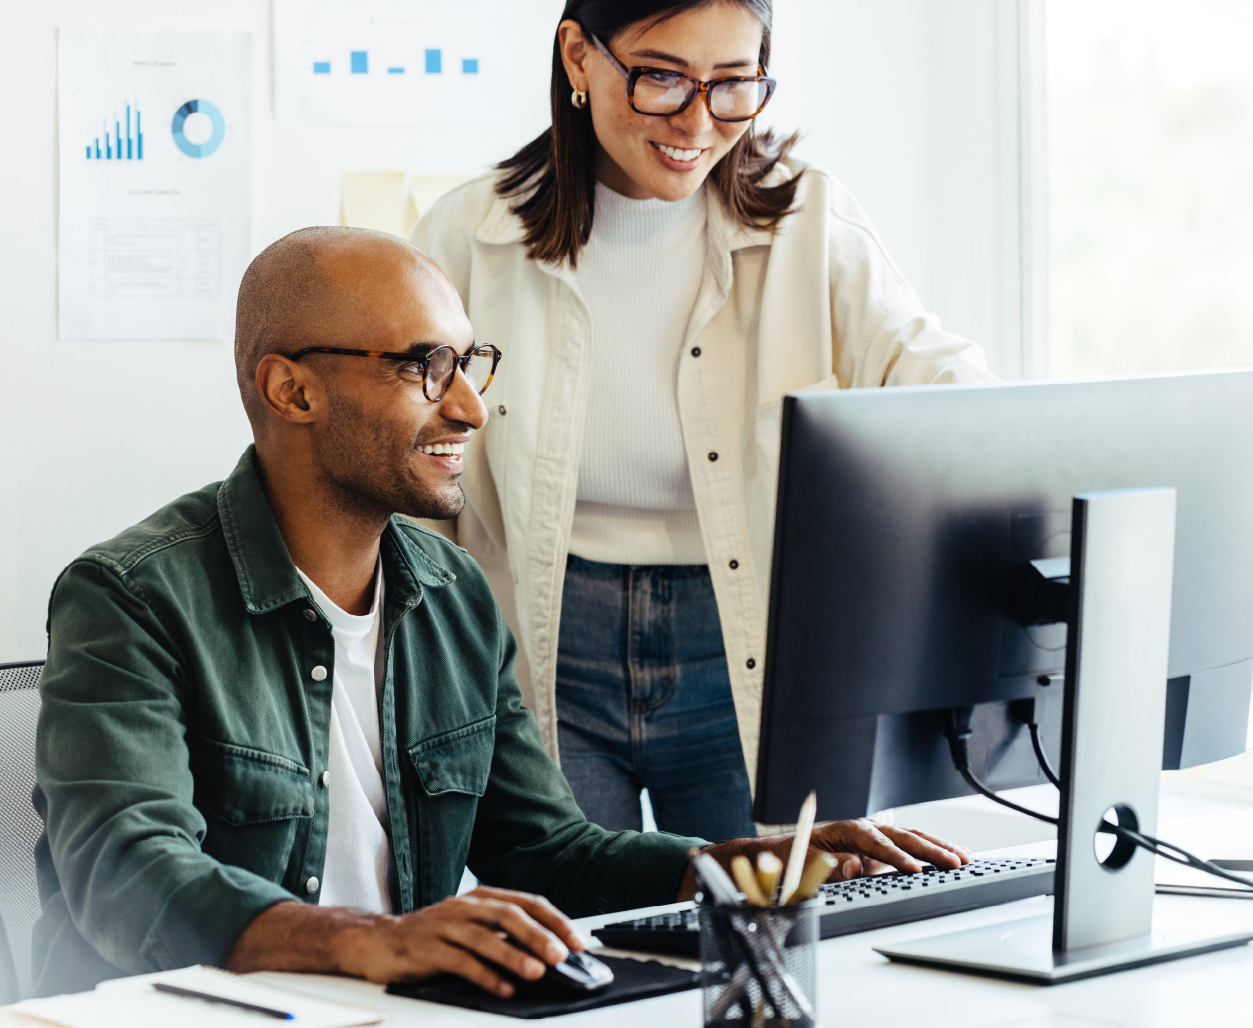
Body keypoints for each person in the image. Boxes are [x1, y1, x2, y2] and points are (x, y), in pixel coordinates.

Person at [28, 226, 970, 998]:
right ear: (293, 389)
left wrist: (742, 870)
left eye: (470, 362)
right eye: (426, 368)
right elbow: (125, 871)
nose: (473, 409)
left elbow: (549, 850)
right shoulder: (131, 597)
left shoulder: (449, 590)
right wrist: (370, 942)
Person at [408, 0, 994, 841]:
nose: (696, 120)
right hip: (545, 642)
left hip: (742, 640)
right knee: (587, 943)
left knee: (763, 934)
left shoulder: (811, 224)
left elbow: (948, 391)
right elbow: (402, 448)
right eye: (662, 78)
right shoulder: (469, 234)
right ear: (578, 56)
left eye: (733, 86)